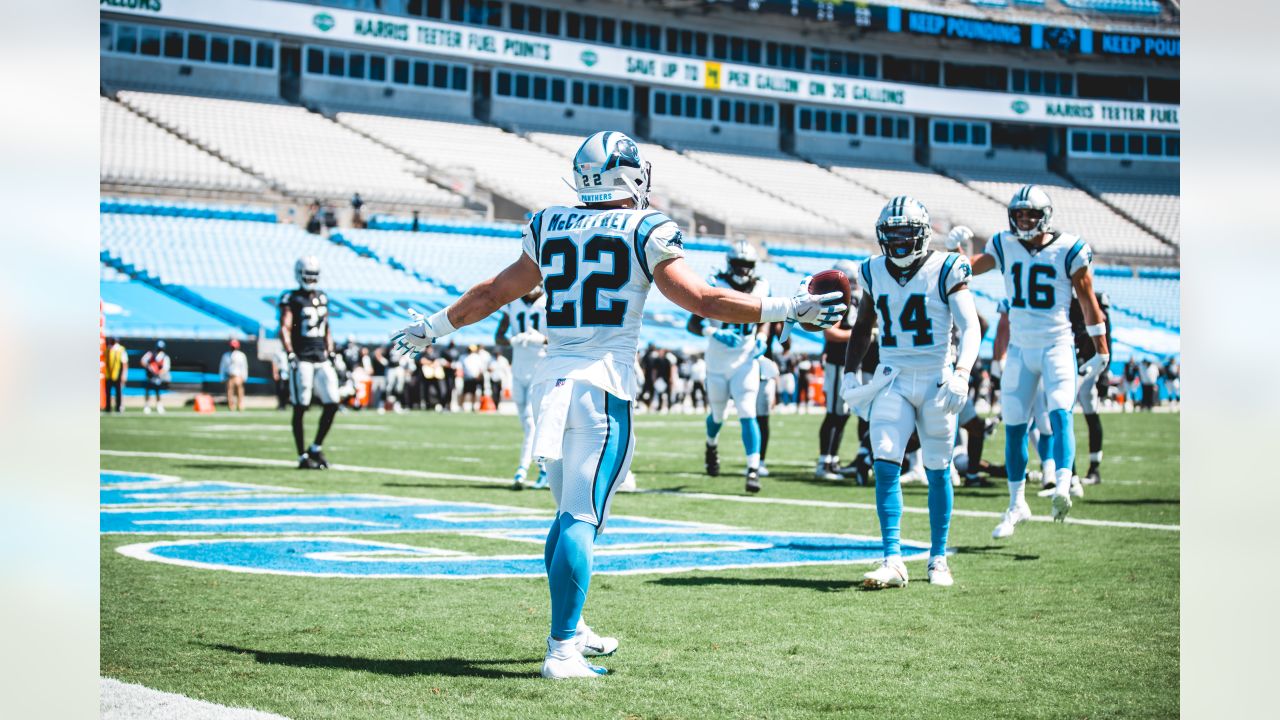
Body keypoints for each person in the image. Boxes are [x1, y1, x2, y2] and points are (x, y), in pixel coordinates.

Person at [389, 130, 845, 680]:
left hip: (552, 382)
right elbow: (701, 299)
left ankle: (572, 627)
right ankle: (561, 651)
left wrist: (433, 326)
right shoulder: (646, 227)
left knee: (566, 514)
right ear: (628, 175)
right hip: (601, 386)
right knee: (583, 517)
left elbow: (492, 294)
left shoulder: (548, 222)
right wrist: (787, 308)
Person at [953, 184, 1110, 535]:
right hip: (1021, 350)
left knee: (1058, 414)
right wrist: (955, 252)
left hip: (1056, 345)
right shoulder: (1004, 245)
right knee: (1014, 426)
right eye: (1019, 214)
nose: (1024, 220)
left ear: (1045, 217)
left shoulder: (1069, 248)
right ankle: (1015, 504)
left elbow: (1087, 302)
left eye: (1030, 215)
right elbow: (970, 268)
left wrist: (1102, 349)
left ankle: (1064, 483)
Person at [841, 196, 981, 588]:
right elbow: (863, 323)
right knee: (885, 462)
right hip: (893, 378)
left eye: (906, 234)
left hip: (938, 379)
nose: (899, 242)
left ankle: (938, 558)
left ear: (922, 235)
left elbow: (971, 327)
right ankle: (893, 559)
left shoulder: (946, 266)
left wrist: (963, 372)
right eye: (892, 235)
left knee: (938, 470)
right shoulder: (871, 270)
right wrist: (851, 373)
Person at [687, 241, 772, 492]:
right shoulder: (715, 284)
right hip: (717, 362)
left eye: (747, 266)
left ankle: (753, 469)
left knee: (748, 411)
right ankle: (711, 444)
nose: (743, 271)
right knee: (718, 415)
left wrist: (763, 338)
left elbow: (769, 317)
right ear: (729, 264)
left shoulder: (763, 286)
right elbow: (692, 324)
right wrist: (713, 332)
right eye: (739, 265)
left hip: (745, 360)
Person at [279, 256, 341, 469]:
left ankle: (316, 447)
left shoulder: (323, 297)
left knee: (333, 402)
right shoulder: (291, 298)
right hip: (302, 356)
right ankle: (301, 455)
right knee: (301, 406)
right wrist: (290, 352)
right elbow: (285, 327)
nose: (311, 279)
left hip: (321, 356)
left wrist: (331, 351)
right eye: (308, 275)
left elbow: (327, 328)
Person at [496, 285, 549, 489]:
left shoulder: (550, 300)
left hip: (540, 368)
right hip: (518, 369)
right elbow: (498, 336)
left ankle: (523, 470)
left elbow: (564, 336)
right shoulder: (513, 302)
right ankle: (543, 469)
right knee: (527, 422)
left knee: (531, 422)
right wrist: (512, 340)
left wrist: (542, 339)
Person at [815, 259, 860, 481]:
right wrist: (860, 335)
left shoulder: (854, 301)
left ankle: (832, 459)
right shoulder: (835, 302)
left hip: (849, 363)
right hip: (837, 361)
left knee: (843, 415)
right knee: (834, 413)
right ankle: (824, 461)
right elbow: (830, 333)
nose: (853, 286)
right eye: (850, 281)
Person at [1070, 291, 1113, 484]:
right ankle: (1066, 470)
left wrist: (1103, 373)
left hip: (1089, 366)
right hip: (1068, 361)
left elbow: (1105, 338)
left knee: (1090, 412)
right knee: (1059, 415)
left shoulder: (1094, 301)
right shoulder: (1067, 299)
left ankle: (1093, 468)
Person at [140, 340, 170, 414]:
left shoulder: (165, 357)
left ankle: (159, 405)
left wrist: (158, 372)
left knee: (158, 391)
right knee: (148, 390)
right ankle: (147, 406)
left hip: (158, 377)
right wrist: (149, 367)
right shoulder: (150, 354)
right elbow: (142, 361)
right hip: (149, 376)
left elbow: (166, 368)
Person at [219, 338, 249, 412]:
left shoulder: (241, 355)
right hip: (229, 376)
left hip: (238, 376)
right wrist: (222, 377)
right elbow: (222, 367)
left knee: (239, 390)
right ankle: (231, 405)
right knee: (229, 391)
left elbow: (244, 366)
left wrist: (244, 376)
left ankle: (240, 404)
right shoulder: (226, 355)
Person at [105, 337, 127, 413]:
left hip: (118, 374)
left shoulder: (120, 350)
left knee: (118, 392)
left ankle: (118, 407)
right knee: (108, 392)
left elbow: (124, 364)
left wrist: (124, 375)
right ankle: (108, 407)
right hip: (108, 374)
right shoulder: (107, 349)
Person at [270, 345, 290, 410]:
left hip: (290, 373)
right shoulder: (278, 352)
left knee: (287, 390)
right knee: (281, 389)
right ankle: (281, 404)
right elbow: (274, 363)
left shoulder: (291, 352)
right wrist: (275, 373)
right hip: (282, 372)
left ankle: (285, 403)